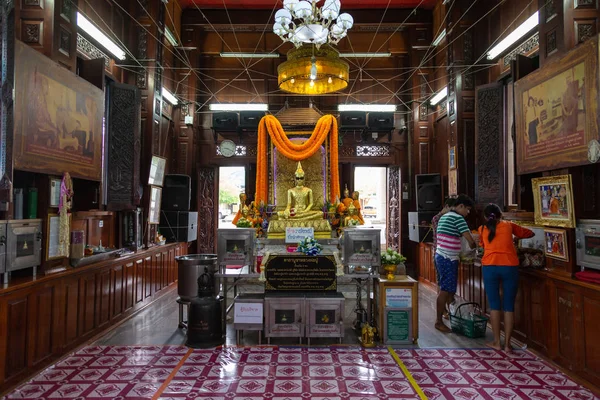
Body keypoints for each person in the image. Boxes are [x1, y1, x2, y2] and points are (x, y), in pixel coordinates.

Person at [478, 203, 534, 352]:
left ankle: (497, 342)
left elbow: (483, 245)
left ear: (485, 217)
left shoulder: (482, 229)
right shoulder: (509, 225)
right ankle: (508, 345)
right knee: (509, 306)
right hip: (510, 267)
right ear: (500, 215)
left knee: (495, 306)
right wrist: (514, 239)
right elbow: (529, 233)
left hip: (489, 267)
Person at [434, 194, 476, 333]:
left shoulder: (444, 216)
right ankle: (439, 321)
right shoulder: (459, 218)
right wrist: (477, 248)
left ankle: (452, 316)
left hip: (441, 256)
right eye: (467, 209)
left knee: (448, 289)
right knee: (445, 290)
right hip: (448, 258)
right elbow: (470, 240)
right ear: (461, 206)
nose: (467, 213)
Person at [431, 197, 457, 319]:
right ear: (446, 206)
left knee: (447, 284)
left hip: (448, 253)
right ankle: (444, 310)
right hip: (440, 253)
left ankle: (449, 308)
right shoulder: (437, 218)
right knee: (441, 283)